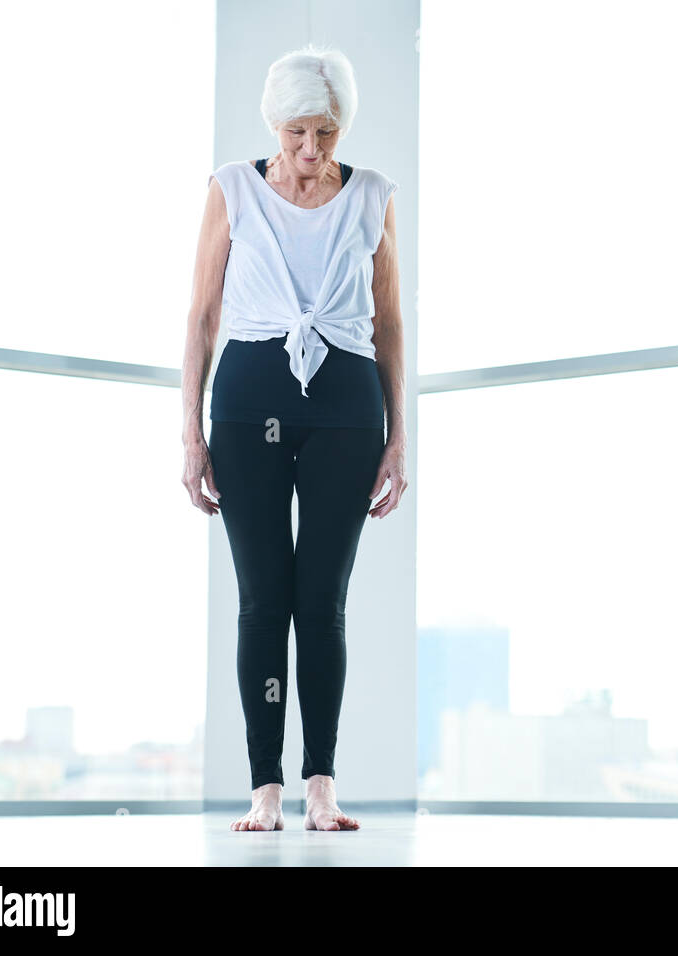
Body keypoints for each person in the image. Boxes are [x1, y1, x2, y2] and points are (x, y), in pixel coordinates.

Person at [179, 44, 408, 832]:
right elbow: (202, 317)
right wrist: (188, 435)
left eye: (327, 134)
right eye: (298, 135)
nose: (312, 153)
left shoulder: (373, 194)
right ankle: (263, 789)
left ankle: (320, 785)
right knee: (261, 601)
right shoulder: (232, 188)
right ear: (274, 126)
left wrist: (400, 437)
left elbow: (391, 326)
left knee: (324, 601)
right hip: (247, 402)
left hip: (346, 403)